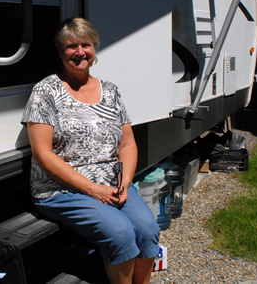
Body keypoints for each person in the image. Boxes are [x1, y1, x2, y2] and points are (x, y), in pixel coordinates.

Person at [21, 18, 160, 284]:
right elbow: (42, 154)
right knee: (120, 232)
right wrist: (92, 189)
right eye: (71, 46)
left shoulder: (111, 91)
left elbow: (127, 144)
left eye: (85, 44)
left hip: (112, 184)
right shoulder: (45, 91)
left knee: (147, 228)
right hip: (61, 189)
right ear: (60, 51)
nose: (80, 52)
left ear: (94, 48)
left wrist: (125, 182)